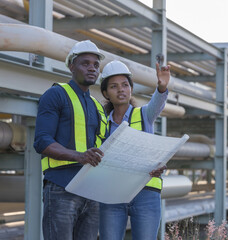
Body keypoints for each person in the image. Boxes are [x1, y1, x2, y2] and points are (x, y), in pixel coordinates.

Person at [33, 40, 107, 240]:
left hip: (90, 191)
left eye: (95, 65)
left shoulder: (97, 107)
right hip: (61, 187)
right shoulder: (55, 95)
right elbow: (42, 141)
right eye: (85, 63)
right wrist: (79, 156)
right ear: (71, 66)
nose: (92, 68)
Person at [99, 60, 170, 240]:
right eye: (114, 86)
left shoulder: (144, 115)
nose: (120, 89)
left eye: (125, 85)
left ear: (131, 88)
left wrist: (161, 87)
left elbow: (157, 103)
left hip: (145, 192)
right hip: (112, 193)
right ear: (106, 93)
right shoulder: (101, 122)